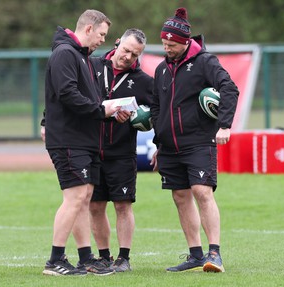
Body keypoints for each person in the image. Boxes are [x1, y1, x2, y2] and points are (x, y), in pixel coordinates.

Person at [150, 7, 239, 273]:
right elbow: (157, 106)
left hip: (199, 141)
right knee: (180, 196)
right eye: (164, 43)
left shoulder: (204, 62)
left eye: (172, 44)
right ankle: (195, 255)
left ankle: (215, 253)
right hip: (169, 146)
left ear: (185, 42)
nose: (168, 48)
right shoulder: (161, 69)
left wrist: (224, 125)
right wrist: (158, 141)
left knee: (202, 191)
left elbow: (229, 88)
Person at [42, 9, 120, 276]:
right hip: (67, 138)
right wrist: (101, 111)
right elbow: (67, 94)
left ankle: (86, 258)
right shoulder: (65, 54)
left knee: (84, 197)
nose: (102, 40)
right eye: (101, 34)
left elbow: (89, 100)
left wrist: (110, 113)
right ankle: (55, 260)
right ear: (88, 29)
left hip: (84, 138)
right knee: (75, 197)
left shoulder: (83, 57)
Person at [89, 28, 153, 272]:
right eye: (126, 50)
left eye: (135, 54)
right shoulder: (91, 67)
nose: (128, 57)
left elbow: (157, 110)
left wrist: (141, 118)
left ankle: (123, 258)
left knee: (122, 205)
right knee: (95, 206)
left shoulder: (144, 81)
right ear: (117, 43)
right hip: (91, 149)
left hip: (122, 152)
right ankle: (104, 256)